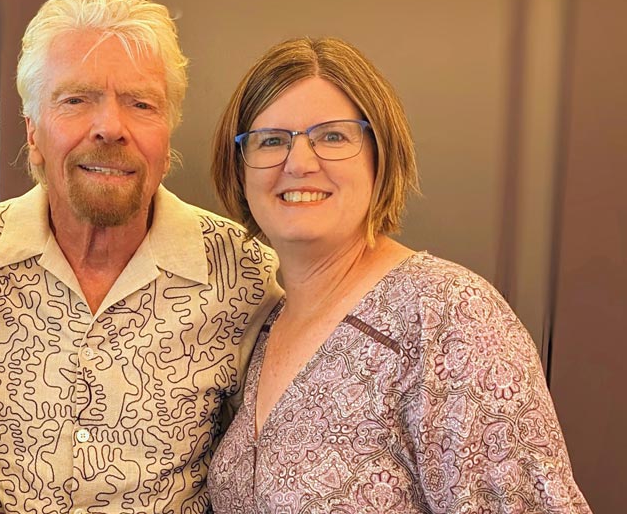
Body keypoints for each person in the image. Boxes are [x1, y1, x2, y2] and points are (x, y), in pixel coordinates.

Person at [0, 0, 282, 513]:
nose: (110, 127)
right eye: (76, 100)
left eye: (141, 104)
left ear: (167, 135)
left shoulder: (244, 273)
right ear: (32, 132)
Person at [207, 37, 590, 513]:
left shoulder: (448, 315)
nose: (300, 163)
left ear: (380, 154)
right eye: (271, 140)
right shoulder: (263, 328)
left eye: (333, 136)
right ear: (239, 169)